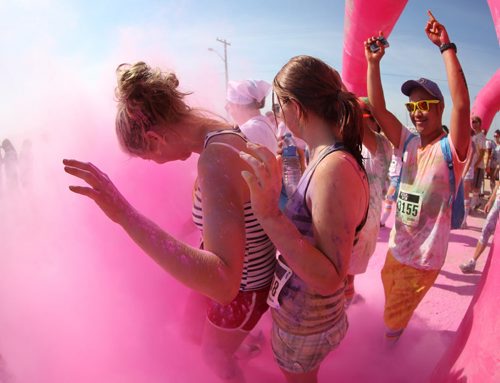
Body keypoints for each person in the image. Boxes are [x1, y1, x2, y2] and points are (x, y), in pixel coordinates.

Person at [63, 62, 277, 381]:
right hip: (245, 278)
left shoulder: (216, 158)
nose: (154, 163)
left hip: (246, 288)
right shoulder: (216, 129)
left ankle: (234, 356)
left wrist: (126, 215)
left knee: (212, 355)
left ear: (154, 138)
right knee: (189, 332)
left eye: (147, 156)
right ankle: (240, 346)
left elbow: (222, 283)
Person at [239, 55, 369, 383]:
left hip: (308, 327)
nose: (277, 114)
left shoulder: (334, 168)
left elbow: (329, 277)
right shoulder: (322, 156)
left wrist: (268, 214)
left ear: (294, 108)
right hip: (307, 321)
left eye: (277, 105)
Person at [365, 13, 470, 343]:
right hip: (396, 252)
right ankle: (394, 344)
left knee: (390, 324)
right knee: (390, 311)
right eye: (412, 107)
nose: (417, 112)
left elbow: (464, 105)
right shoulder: (407, 141)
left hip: (423, 262)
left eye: (425, 104)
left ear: (439, 108)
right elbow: (379, 109)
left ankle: (385, 363)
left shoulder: (451, 149)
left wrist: (446, 47)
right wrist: (373, 64)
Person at [345, 98, 392, 306]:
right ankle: (349, 298)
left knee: (343, 274)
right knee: (345, 274)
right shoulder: (353, 143)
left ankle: (342, 309)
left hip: (362, 225)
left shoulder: (381, 145)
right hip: (356, 221)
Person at [225, 79, 278, 153]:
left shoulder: (249, 129)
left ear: (237, 105)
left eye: (229, 106)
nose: (229, 112)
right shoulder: (262, 124)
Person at [459, 180, 499, 273]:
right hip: (498, 202)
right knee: (486, 230)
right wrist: (490, 201)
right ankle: (472, 262)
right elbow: (498, 184)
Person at [471, 116, 486, 208]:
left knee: (476, 186)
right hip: (472, 164)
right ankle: (475, 203)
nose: (473, 123)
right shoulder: (474, 136)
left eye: (475, 122)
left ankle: (473, 204)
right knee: (472, 185)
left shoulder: (481, 136)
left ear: (480, 123)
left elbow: (482, 153)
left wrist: (476, 165)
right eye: (472, 122)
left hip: (478, 166)